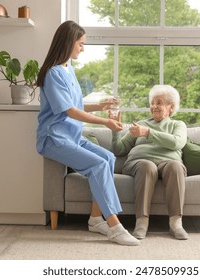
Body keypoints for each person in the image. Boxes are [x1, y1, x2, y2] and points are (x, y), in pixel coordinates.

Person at [36, 20, 140, 246]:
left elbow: (76, 104)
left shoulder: (68, 68)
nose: (82, 48)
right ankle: (114, 225)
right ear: (69, 42)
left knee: (108, 158)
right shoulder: (53, 73)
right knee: (98, 164)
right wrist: (105, 122)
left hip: (71, 137)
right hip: (53, 138)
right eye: (81, 44)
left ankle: (95, 219)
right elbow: (70, 111)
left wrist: (100, 106)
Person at [111, 85, 188, 240]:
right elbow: (119, 149)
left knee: (175, 166)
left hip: (168, 162)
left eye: (158, 103)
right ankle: (142, 222)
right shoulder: (141, 123)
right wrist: (114, 130)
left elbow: (177, 143)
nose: (154, 106)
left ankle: (176, 223)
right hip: (139, 163)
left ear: (170, 107)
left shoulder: (177, 125)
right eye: (152, 103)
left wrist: (148, 133)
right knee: (148, 166)